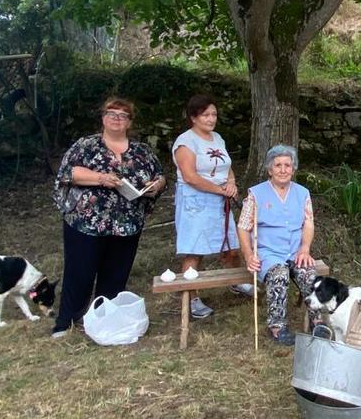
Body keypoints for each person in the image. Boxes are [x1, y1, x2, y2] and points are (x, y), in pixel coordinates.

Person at [52, 96, 166, 338]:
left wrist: (155, 185)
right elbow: (68, 172)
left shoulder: (142, 151)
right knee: (79, 272)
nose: (116, 118)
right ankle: (66, 322)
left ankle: (105, 322)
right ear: (103, 118)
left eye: (122, 115)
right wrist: (102, 178)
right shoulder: (86, 145)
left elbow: (160, 176)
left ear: (129, 122)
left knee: (116, 275)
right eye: (111, 113)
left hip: (127, 224)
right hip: (86, 222)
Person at [173, 95, 252, 319]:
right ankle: (192, 296)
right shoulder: (185, 142)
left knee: (230, 245)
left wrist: (231, 183)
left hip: (220, 199)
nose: (211, 119)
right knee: (195, 249)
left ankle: (236, 281)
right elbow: (190, 176)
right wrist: (220, 190)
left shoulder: (217, 138)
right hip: (195, 201)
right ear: (193, 117)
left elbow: (226, 166)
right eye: (206, 115)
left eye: (214, 114)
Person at [238, 144, 321, 346]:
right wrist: (249, 255)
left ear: (293, 169)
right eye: (278, 165)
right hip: (268, 252)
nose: (283, 170)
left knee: (310, 276)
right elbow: (243, 227)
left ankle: (317, 322)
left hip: (295, 251)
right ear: (270, 169)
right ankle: (277, 327)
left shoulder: (302, 193)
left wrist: (305, 248)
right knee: (279, 274)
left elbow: (308, 222)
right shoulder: (256, 194)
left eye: (287, 165)